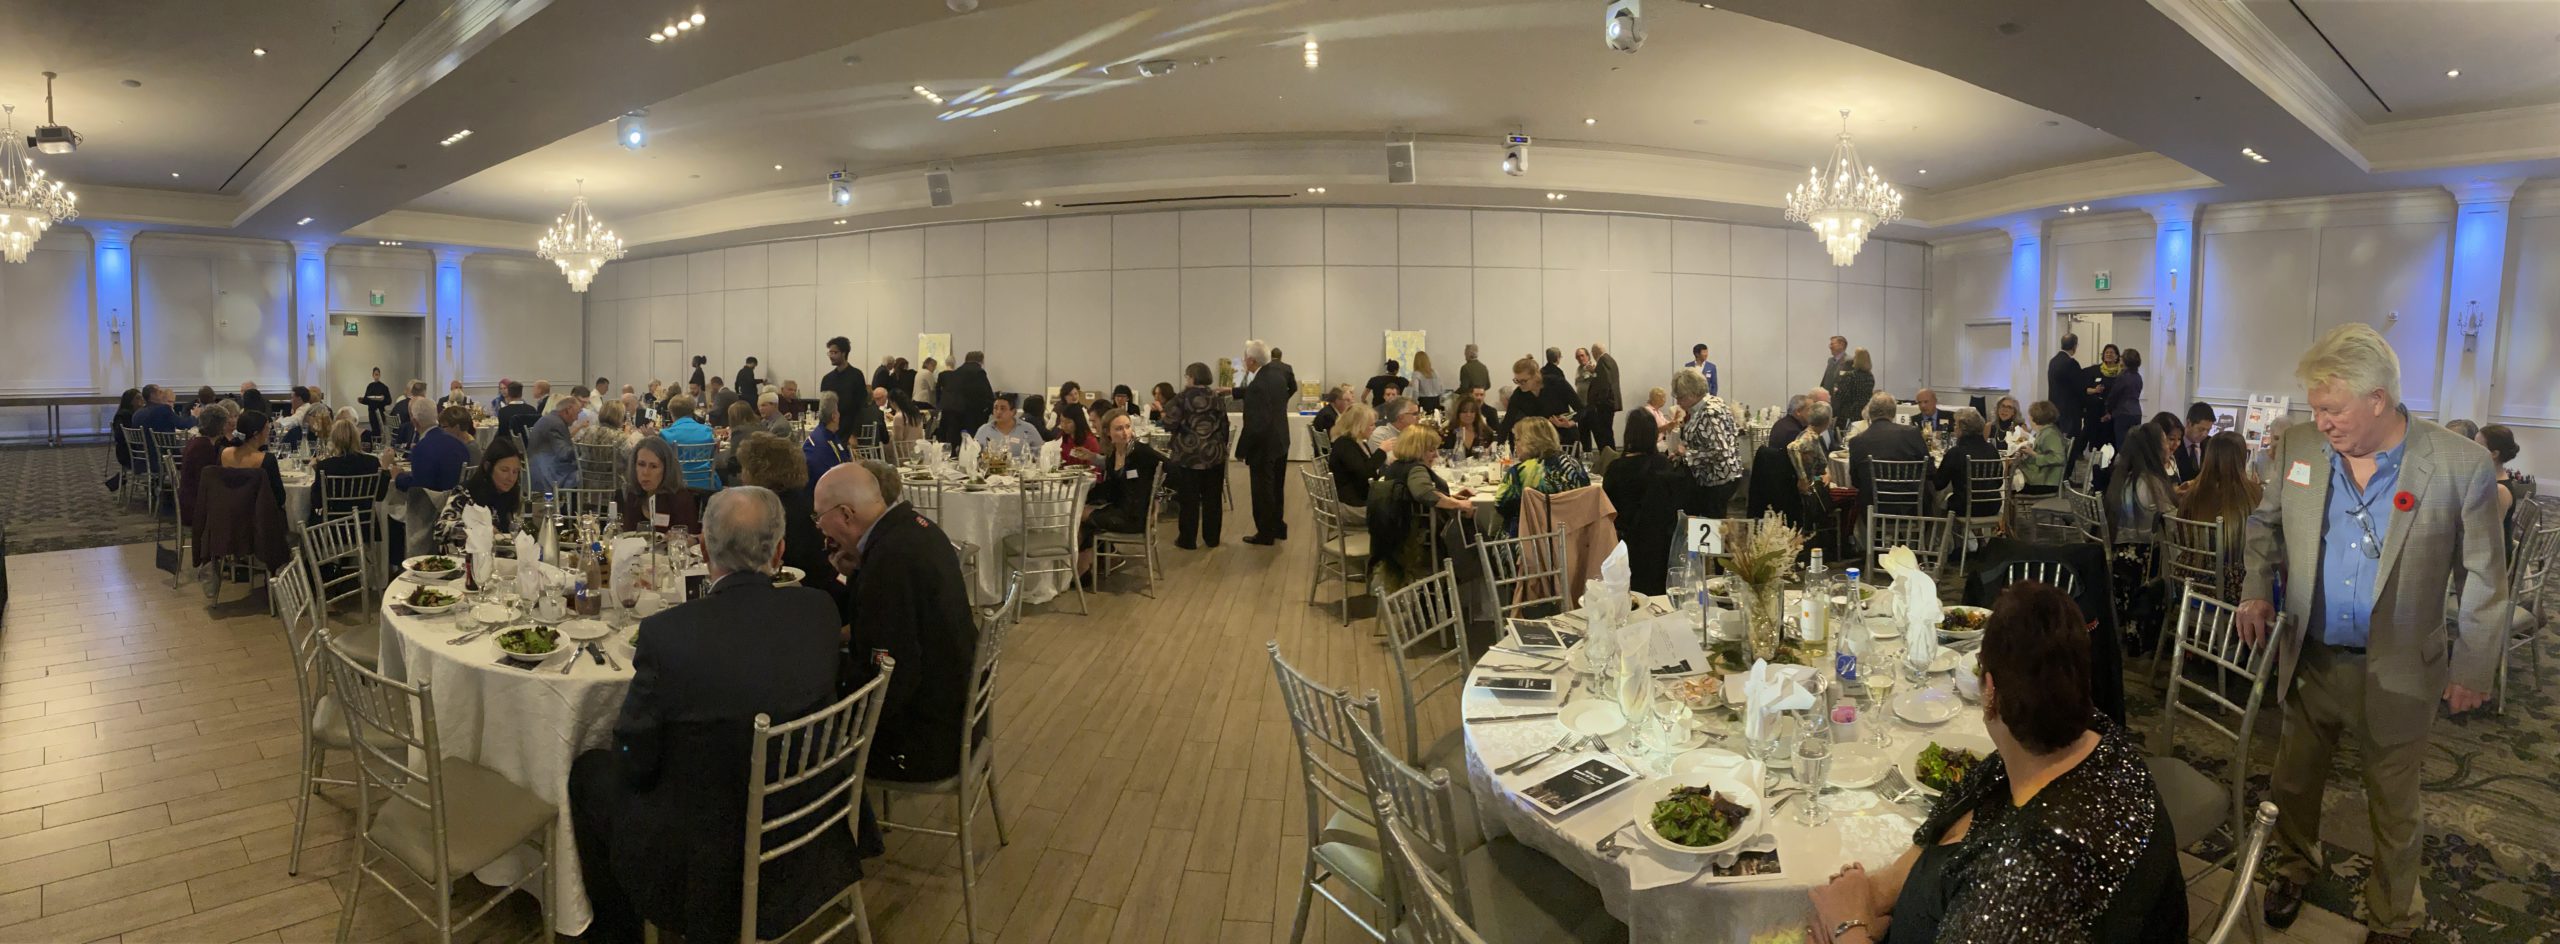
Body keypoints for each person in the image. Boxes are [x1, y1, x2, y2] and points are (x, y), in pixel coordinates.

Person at [2237, 325, 2508, 942]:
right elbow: (2263, 525)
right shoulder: (2301, 447)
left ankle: (2392, 914)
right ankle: (2295, 866)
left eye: (2332, 409)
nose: (2320, 421)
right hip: (2310, 657)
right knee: (2293, 784)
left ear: (2378, 399)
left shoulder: (2458, 464)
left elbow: (2485, 577)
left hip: (2401, 668)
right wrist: (2255, 588)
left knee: (2393, 804)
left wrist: (2472, 667)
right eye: (2315, 408)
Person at [1806, 582, 2186, 944]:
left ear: (1989, 691)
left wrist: (1847, 926)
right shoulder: (2090, 741)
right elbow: (1954, 819)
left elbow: (2017, 894)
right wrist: (1871, 898)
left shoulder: (2030, 874)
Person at [569, 486, 857, 944]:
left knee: (588, 772)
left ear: (703, 549)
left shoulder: (667, 636)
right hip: (810, 819)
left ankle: (616, 933)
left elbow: (634, 760)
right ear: (780, 551)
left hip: (705, 854)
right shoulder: (819, 610)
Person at [813, 461, 981, 786]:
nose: (819, 528)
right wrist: (858, 573)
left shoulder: (888, 564)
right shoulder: (918, 528)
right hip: (960, 712)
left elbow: (889, 677)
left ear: (846, 515)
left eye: (819, 517)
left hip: (927, 742)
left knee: (804, 745)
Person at [1371, 427, 1477, 596]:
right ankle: (1477, 591)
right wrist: (1458, 504)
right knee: (1477, 535)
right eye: (1431, 450)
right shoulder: (1417, 469)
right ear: (1417, 449)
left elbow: (1414, 497)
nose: (1436, 455)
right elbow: (1423, 493)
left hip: (1396, 535)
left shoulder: (1395, 467)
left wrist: (1451, 497)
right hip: (1422, 540)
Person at [733, 433, 836, 596]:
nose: (741, 476)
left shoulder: (767, 512)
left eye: (744, 469)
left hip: (790, 594)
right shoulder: (806, 500)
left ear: (759, 471)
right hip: (823, 587)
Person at [1079, 409, 1165, 583]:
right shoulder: (1113, 455)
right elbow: (1112, 488)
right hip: (1120, 509)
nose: (1125, 432)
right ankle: (1085, 567)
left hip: (1135, 517)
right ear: (1107, 432)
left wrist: (1157, 499)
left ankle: (1083, 568)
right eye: (1119, 428)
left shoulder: (1140, 452)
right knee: (1081, 514)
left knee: (1080, 516)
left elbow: (1171, 470)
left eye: (1127, 427)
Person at [1605, 410, 1685, 595]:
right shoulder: (1664, 465)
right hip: (1659, 544)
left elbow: (1608, 508)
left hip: (1625, 544)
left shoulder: (1616, 468)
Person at [2173, 431, 2259, 597]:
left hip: (2187, 580)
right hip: (2232, 585)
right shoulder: (2252, 494)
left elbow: (2182, 537)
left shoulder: (2191, 494)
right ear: (2242, 457)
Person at [1233, 339, 1297, 546]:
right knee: (1277, 487)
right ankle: (1278, 527)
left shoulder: (1258, 384)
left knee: (1262, 491)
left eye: (1245, 358)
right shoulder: (1277, 376)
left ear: (1252, 361)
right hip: (1280, 440)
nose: (1244, 361)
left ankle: (1265, 533)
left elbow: (1255, 423)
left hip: (1264, 445)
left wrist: (1241, 449)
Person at [1166, 362, 1229, 550]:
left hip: (1189, 456)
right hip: (1214, 455)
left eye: (1187, 376)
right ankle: (1212, 538)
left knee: (1189, 500)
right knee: (1213, 499)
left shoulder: (1182, 397)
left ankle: (1187, 539)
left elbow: (1170, 423)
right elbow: (1224, 425)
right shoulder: (1217, 397)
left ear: (1192, 377)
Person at [1495, 417, 1590, 535]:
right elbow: (1586, 495)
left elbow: (1500, 506)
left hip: (1529, 538)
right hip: (1572, 536)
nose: (1515, 445)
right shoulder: (1574, 464)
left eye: (1517, 439)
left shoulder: (1519, 473)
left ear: (1529, 442)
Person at [1670, 368, 1742, 518]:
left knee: (1713, 523)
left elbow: (1720, 451)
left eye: (1680, 397)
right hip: (1716, 476)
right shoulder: (1713, 403)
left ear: (1692, 394)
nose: (1678, 402)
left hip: (1718, 479)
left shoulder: (1710, 413)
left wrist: (1687, 454)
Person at [1848, 393, 1929, 515]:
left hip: (1872, 509)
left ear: (1870, 413)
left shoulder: (1856, 441)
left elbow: (1855, 481)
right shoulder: (1912, 433)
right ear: (1893, 413)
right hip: (1911, 507)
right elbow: (1929, 470)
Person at [434, 437, 527, 539]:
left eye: (515, 472)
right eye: (504, 470)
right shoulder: (466, 492)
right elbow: (440, 530)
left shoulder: (510, 495)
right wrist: (477, 529)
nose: (511, 478)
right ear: (487, 467)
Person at [2106, 423, 2173, 547]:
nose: (2169, 447)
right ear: (2154, 449)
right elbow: (2170, 524)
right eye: (2165, 441)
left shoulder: (2123, 477)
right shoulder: (2150, 483)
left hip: (2119, 547)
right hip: (2144, 552)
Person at [620, 436, 701, 536]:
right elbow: (627, 535)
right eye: (641, 464)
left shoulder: (680, 499)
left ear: (666, 470)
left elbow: (689, 538)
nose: (645, 472)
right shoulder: (633, 495)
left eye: (653, 466)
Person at [310, 418, 385, 524]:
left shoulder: (325, 465)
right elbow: (380, 496)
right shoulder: (372, 462)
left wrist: (316, 473)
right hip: (365, 522)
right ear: (357, 438)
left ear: (334, 440)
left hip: (335, 525)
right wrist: (386, 470)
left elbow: (317, 502)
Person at [1933, 409, 2002, 520]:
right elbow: (1999, 482)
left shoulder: (1956, 452)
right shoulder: (1992, 449)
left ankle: (1941, 530)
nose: (1954, 428)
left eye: (1956, 425)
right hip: (1993, 504)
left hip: (1965, 506)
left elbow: (1939, 484)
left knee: (1938, 501)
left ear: (1962, 429)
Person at [390, 406, 473, 496]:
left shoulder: (423, 447)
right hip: (456, 498)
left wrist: (398, 477)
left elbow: (418, 488)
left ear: (415, 422)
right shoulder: (461, 446)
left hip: (434, 501)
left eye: (443, 426)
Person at [1327, 403, 1383, 529]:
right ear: (1359, 426)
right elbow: (1365, 473)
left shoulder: (1358, 442)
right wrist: (1382, 452)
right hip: (1349, 506)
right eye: (1371, 425)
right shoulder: (1345, 445)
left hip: (1357, 497)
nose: (1374, 428)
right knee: (1396, 512)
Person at [219, 410, 286, 511]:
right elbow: (279, 497)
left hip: (227, 511)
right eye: (267, 429)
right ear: (256, 434)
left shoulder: (224, 453)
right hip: (256, 514)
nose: (269, 433)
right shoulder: (266, 459)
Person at [525, 390, 583, 494]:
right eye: (577, 413)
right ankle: (577, 503)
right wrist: (583, 447)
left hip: (538, 468)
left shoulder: (551, 419)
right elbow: (564, 454)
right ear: (568, 410)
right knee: (587, 473)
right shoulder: (556, 424)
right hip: (547, 474)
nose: (577, 418)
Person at [658, 394, 718, 491]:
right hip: (706, 483)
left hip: (676, 486)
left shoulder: (665, 434)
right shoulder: (707, 431)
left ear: (671, 413)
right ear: (693, 411)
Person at [937, 351, 995, 447]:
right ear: (981, 361)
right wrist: (987, 412)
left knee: (953, 445)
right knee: (970, 446)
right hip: (970, 416)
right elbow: (987, 395)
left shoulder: (955, 373)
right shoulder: (978, 372)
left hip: (950, 415)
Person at [2483, 424, 2526, 548]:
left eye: (2476, 446)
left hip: (2497, 555)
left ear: (2494, 454)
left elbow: (2488, 533)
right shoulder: (2491, 479)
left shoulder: (2500, 490)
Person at [2017, 401, 2068, 497]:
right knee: (2010, 477)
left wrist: (2033, 454)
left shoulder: (2050, 434)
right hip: (2042, 478)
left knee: (2008, 483)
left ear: (2035, 417)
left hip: (2045, 482)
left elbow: (2059, 458)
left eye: (2030, 415)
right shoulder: (2044, 431)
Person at [2047, 333, 2085, 458]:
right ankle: (2068, 469)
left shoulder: (2053, 361)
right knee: (2070, 447)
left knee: (2057, 444)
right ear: (2074, 346)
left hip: (2054, 409)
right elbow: (2079, 388)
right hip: (2070, 411)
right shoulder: (2071, 363)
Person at [973, 395, 1044, 460]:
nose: (998, 412)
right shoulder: (983, 430)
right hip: (991, 469)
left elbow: (1041, 453)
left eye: (1002, 409)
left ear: (1013, 412)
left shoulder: (1028, 429)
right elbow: (973, 455)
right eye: (995, 408)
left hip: (1020, 468)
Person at [1537, 347, 1583, 442]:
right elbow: (1578, 406)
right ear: (1558, 358)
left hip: (1542, 425)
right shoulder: (1559, 377)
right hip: (1560, 422)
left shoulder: (1539, 375)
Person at [1582, 342, 1622, 451]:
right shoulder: (1609, 360)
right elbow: (1602, 377)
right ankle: (1609, 454)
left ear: (1595, 352)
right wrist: (1594, 371)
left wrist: (1599, 402)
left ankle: (1609, 455)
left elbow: (1604, 383)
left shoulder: (1603, 361)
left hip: (1605, 404)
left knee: (1605, 434)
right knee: (1606, 432)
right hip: (1609, 403)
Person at [2106, 348, 2147, 451]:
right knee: (2134, 443)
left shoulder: (2123, 376)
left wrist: (2108, 409)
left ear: (2125, 361)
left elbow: (2114, 395)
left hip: (2123, 412)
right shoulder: (2138, 377)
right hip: (2136, 412)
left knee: (2122, 444)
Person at [1831, 348, 1876, 424]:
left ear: (1857, 360)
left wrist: (1836, 391)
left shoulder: (1849, 375)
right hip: (1864, 414)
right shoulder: (1870, 377)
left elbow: (1842, 396)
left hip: (1849, 415)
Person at [1054, 402, 1102, 469]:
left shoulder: (1090, 440)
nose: (1064, 425)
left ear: (1077, 421)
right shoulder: (1062, 436)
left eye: (1068, 422)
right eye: (1062, 421)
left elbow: (1095, 468)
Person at [2176, 402, 2214, 481]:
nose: (2205, 434)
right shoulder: (2175, 444)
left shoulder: (2210, 444)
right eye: (2201, 429)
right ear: (2188, 423)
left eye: (2208, 430)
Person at [360, 368, 392, 438]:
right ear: (373, 375)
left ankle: (380, 443)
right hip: (371, 412)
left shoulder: (384, 387)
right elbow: (366, 399)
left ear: (380, 375)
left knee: (380, 431)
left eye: (378, 374)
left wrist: (383, 399)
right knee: (374, 430)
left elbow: (389, 401)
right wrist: (362, 400)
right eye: (375, 374)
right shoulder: (370, 386)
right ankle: (374, 443)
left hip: (380, 412)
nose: (376, 376)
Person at [1818, 335, 1849, 402]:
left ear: (1841, 345)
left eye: (1832, 344)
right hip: (1826, 400)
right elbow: (1825, 380)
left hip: (1840, 402)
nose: (1830, 347)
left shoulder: (1849, 361)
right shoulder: (1830, 361)